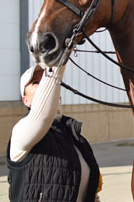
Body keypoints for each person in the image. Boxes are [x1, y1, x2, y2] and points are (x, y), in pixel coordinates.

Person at [7, 65, 102, 201]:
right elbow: (43, 115)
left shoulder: (73, 134)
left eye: (47, 79)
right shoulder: (21, 130)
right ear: (25, 100)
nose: (45, 83)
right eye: (35, 82)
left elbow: (91, 191)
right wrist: (59, 60)